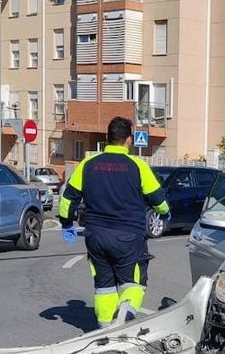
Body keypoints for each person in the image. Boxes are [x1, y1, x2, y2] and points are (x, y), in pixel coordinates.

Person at [59, 117, 170, 327]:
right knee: (134, 283)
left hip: (96, 236)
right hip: (128, 238)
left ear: (107, 138)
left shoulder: (87, 165)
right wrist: (164, 213)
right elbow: (158, 200)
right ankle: (124, 317)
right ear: (129, 140)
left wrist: (66, 223)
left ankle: (104, 328)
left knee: (104, 286)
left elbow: (67, 198)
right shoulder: (138, 166)